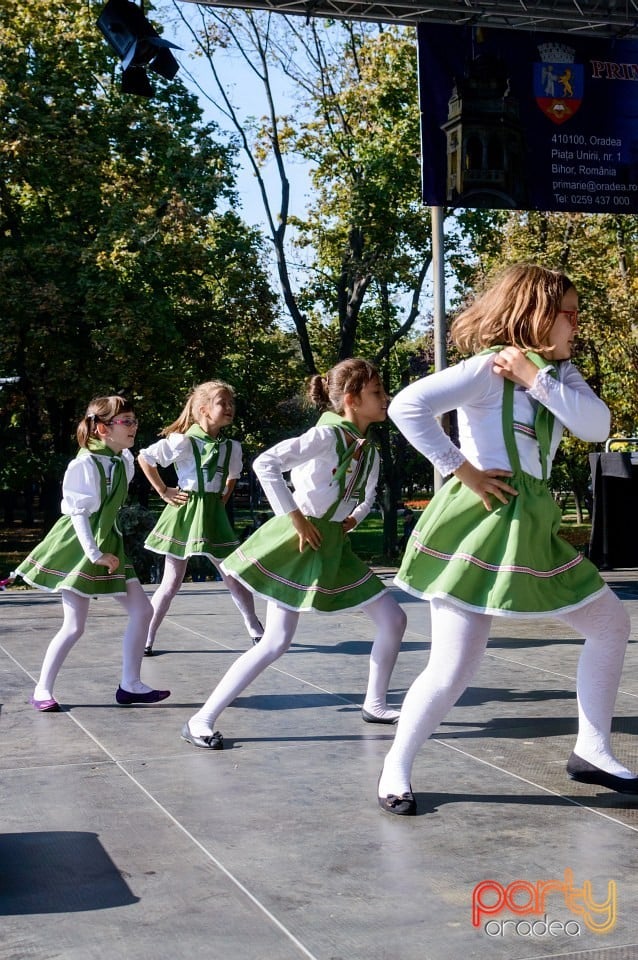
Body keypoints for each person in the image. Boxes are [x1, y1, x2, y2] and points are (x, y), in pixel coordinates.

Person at [378, 263, 637, 815]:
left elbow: (596, 425)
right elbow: (408, 405)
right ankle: (395, 768)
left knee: (610, 622)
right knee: (453, 666)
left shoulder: (560, 376)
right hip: (483, 522)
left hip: (533, 521)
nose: (576, 324)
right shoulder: (483, 369)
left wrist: (535, 378)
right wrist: (460, 468)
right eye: (567, 313)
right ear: (536, 315)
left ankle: (592, 750)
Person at [181, 358, 407, 749]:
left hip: (334, 542)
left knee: (393, 619)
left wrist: (353, 517)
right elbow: (265, 463)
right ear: (352, 399)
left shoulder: (366, 448)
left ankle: (375, 703)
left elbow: (367, 494)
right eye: (376, 393)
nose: (385, 399)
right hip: (300, 541)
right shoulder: (325, 437)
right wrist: (298, 519)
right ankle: (201, 718)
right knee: (276, 642)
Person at [12, 396, 170, 711]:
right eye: (126, 421)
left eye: (134, 420)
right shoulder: (83, 464)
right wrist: (95, 553)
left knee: (142, 611)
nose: (133, 427)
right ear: (101, 428)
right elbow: (79, 515)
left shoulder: (123, 460)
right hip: (79, 547)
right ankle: (42, 689)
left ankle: (130, 684)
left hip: (109, 543)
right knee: (74, 625)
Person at [137, 381, 263, 655]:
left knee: (233, 574)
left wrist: (222, 499)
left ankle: (255, 629)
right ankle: (146, 637)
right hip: (185, 512)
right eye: (222, 403)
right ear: (204, 410)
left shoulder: (232, 447)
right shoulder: (183, 442)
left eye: (231, 403)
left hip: (213, 515)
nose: (229, 408)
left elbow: (232, 476)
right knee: (171, 581)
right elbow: (146, 458)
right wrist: (163, 490)